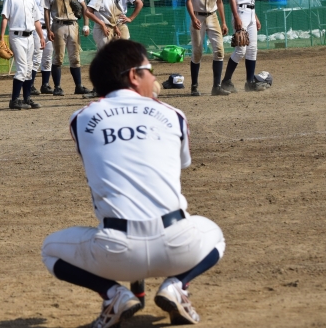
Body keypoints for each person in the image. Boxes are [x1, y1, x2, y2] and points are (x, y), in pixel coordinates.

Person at [41, 39, 225, 327]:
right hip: (178, 247)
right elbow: (181, 163)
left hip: (116, 252)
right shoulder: (173, 114)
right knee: (216, 235)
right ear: (133, 76)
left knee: (50, 249)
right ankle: (177, 285)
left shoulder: (81, 118)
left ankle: (113, 294)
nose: (154, 77)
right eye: (148, 70)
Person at [221, 0, 268, 92]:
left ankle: (250, 82)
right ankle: (226, 81)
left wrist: (255, 17)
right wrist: (236, 17)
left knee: (252, 49)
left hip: (250, 13)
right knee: (241, 49)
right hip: (240, 13)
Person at [42, 0, 92, 97]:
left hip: (73, 25)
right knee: (58, 58)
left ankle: (78, 86)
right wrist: (49, 29)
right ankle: (57, 87)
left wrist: (86, 24)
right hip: (58, 25)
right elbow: (46, 11)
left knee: (75, 57)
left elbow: (84, 6)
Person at [0, 0, 46, 110]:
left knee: (29, 69)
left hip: (30, 37)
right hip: (16, 36)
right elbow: (5, 18)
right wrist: (1, 37)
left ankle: (27, 99)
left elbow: (36, 21)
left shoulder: (31, 0)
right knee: (21, 68)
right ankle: (14, 100)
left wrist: (41, 36)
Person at [185, 0, 230, 96]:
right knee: (197, 52)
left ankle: (217, 87)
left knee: (219, 51)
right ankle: (194, 86)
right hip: (197, 17)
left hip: (212, 16)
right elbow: (188, 1)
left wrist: (224, 22)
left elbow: (220, 2)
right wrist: (193, 18)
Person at [27, 0, 55, 95]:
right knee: (36, 58)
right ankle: (30, 85)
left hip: (50, 29)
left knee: (48, 58)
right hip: (37, 29)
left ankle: (45, 85)